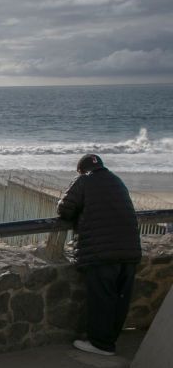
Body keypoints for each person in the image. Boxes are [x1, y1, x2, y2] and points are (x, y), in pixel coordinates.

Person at [57, 153, 141, 356]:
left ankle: (101, 344)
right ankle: (110, 340)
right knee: (120, 299)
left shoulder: (84, 181)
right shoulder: (117, 181)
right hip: (129, 250)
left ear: (81, 169)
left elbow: (65, 210)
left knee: (102, 298)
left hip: (101, 252)